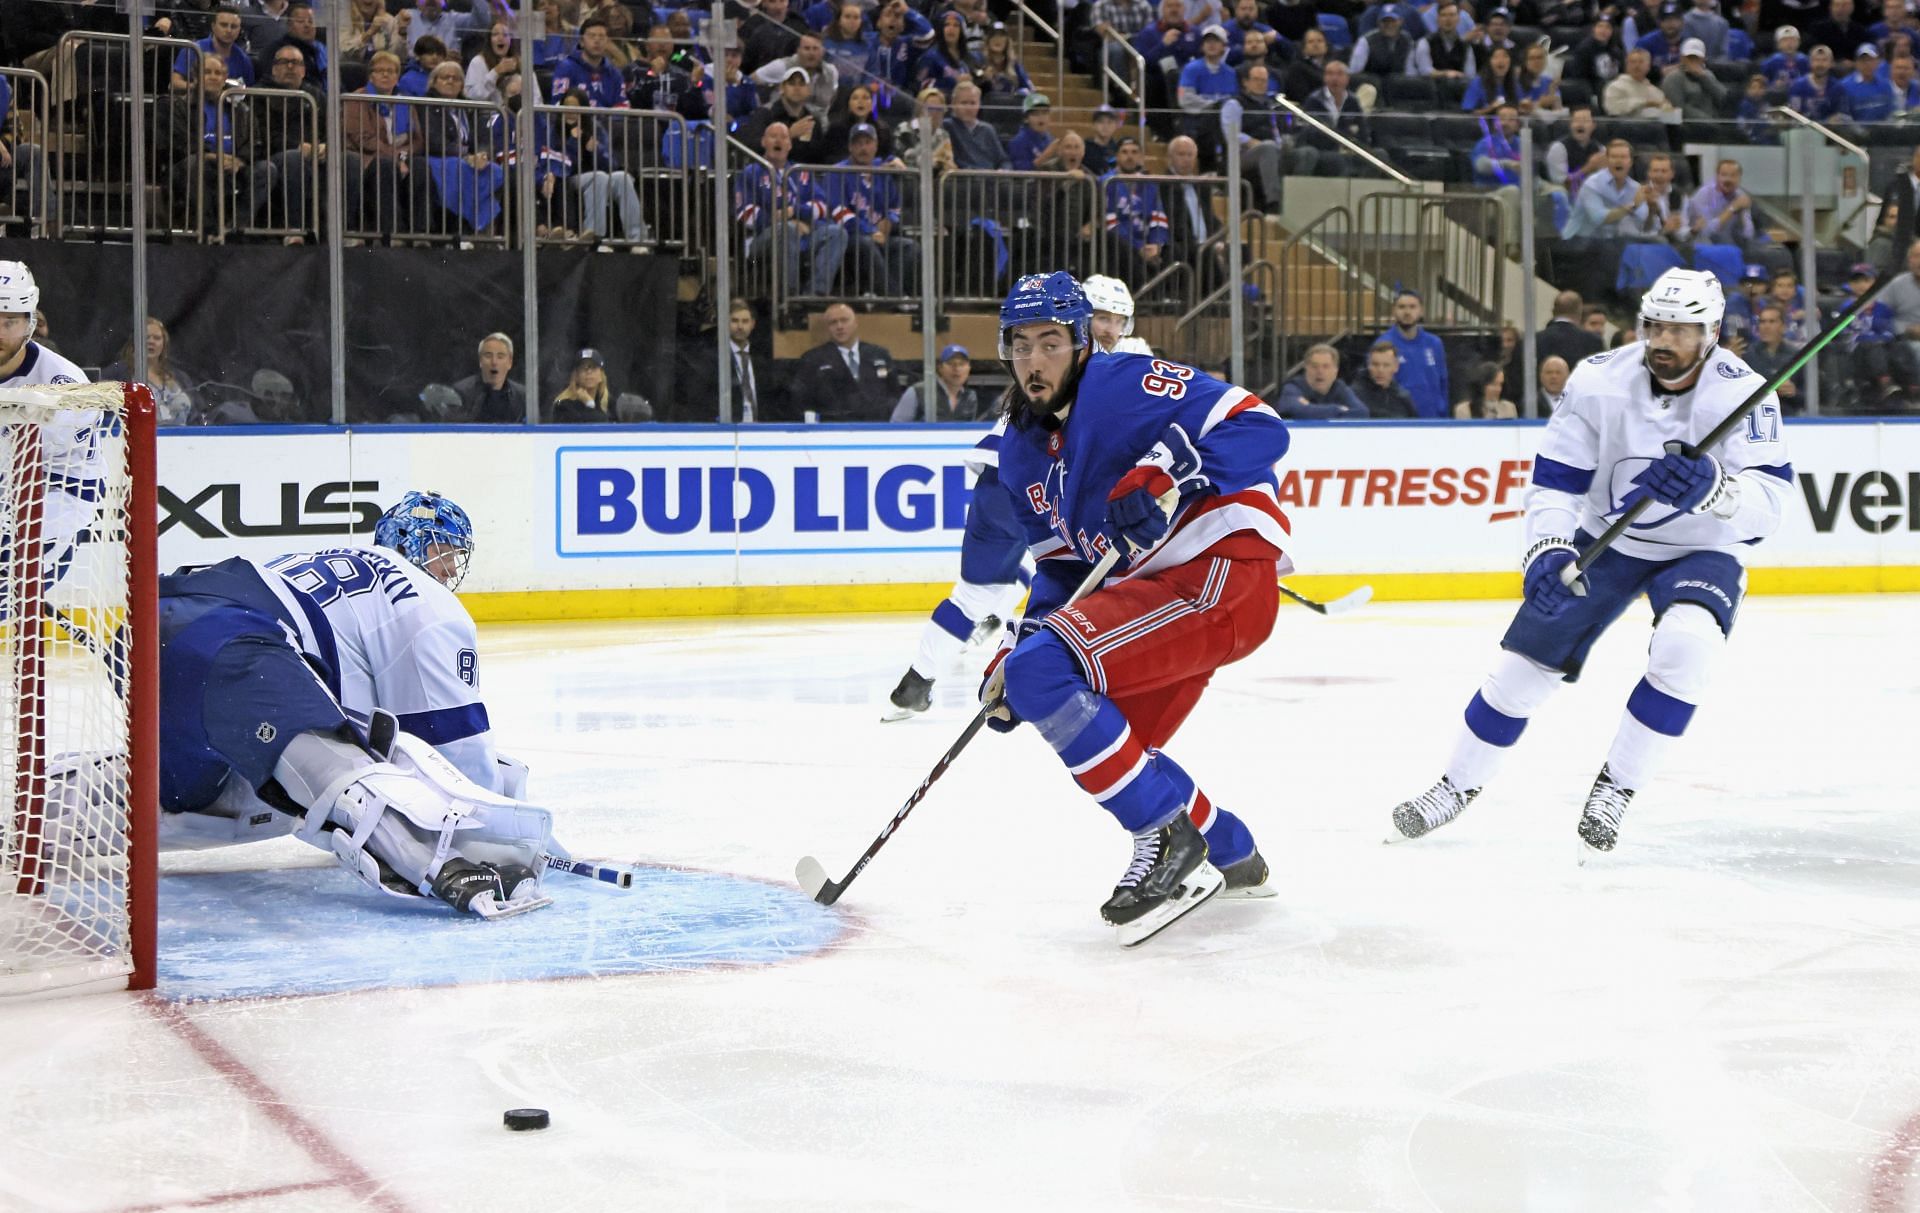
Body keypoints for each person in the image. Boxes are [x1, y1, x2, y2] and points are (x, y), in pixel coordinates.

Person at [1389, 269, 1793, 854]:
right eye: (1655, 325)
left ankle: (1617, 787)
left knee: (1689, 647)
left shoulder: (1745, 393)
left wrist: (1716, 490)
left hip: (1704, 546)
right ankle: (1455, 785)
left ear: (1711, 332)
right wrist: (1547, 550)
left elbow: (1771, 506)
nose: (1664, 341)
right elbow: (1554, 485)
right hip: (1607, 537)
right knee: (1520, 672)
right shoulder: (1599, 380)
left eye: (1681, 330)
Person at [980, 270, 1288, 946]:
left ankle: (1166, 839)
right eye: (1021, 345)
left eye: (1050, 342)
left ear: (1083, 341)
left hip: (1221, 570)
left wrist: (1165, 469)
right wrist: (1017, 650)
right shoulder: (1020, 451)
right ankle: (1231, 851)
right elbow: (1062, 569)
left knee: (1047, 675)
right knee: (1120, 745)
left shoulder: (1121, 384)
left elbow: (1260, 427)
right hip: (1160, 594)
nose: (1035, 361)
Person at [152, 492, 561, 919]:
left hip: (157, 620)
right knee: (340, 783)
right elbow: (456, 753)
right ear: (411, 546)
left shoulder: (329, 561)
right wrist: (495, 835)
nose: (451, 569)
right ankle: (444, 870)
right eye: (444, 553)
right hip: (232, 644)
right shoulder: (425, 600)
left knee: (184, 806)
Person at [794, 302, 896, 421]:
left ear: (855, 323)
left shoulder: (879, 354)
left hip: (877, 430)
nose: (839, 326)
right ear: (827, 328)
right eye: (833, 322)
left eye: (844, 320)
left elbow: (894, 395)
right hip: (832, 431)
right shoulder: (813, 359)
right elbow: (802, 402)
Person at [103, 317, 201, 425]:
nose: (151, 342)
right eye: (145, 337)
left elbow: (196, 417)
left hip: (186, 439)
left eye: (157, 338)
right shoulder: (116, 374)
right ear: (134, 342)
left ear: (164, 344)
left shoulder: (180, 377)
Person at [1381, 289, 1449, 418]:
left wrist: (1444, 415)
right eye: (1402, 307)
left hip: (1433, 422)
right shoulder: (1384, 345)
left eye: (1412, 307)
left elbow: (1443, 383)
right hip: (1400, 423)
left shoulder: (1434, 343)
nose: (1407, 312)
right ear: (1394, 311)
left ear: (1421, 310)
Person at [892, 344, 985, 423]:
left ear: (969, 368)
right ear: (940, 368)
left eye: (962, 364)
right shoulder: (917, 392)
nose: (957, 368)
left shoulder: (970, 397)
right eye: (951, 363)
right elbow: (894, 429)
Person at [451, 331, 527, 423]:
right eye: (488, 355)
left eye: (500, 356)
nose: (494, 362)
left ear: (510, 362)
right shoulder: (461, 393)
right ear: (480, 361)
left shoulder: (522, 396)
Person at [1278, 343, 1368, 418]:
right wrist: (1338, 409)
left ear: (1335, 370)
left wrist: (1309, 407)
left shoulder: (1340, 387)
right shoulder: (1293, 387)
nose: (1320, 371)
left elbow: (1362, 412)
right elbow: (1293, 408)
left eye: (1326, 366)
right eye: (1314, 366)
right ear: (1306, 368)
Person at [1083, 273, 1156, 355]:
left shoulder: (1133, 351)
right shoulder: (1068, 353)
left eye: (1119, 321)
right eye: (1103, 319)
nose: (1111, 331)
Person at [1351, 341, 1418, 417]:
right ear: (1368, 365)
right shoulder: (1354, 396)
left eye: (1386, 365)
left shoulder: (1403, 398)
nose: (1380, 370)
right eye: (1375, 364)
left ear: (1396, 367)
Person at [547, 348, 614, 423]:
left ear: (601, 375)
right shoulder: (563, 406)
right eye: (583, 368)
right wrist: (589, 403)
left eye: (594, 367)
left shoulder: (610, 405)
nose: (589, 371)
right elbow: (598, 422)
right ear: (576, 376)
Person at [1452, 360, 1517, 418]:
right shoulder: (1464, 410)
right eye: (1493, 384)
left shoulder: (1509, 409)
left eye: (1500, 384)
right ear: (1482, 385)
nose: (1498, 389)